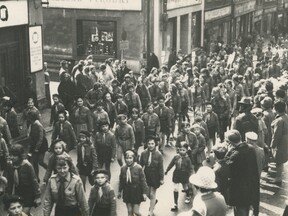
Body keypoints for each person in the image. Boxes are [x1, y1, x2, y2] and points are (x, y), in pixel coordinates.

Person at [224, 129, 260, 216]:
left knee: (240, 211)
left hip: (239, 190)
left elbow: (227, 166)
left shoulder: (234, 155)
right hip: (250, 186)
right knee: (246, 209)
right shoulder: (251, 148)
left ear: (230, 142)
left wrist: (228, 152)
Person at [4, 144, 41, 215]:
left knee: (22, 213)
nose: (12, 157)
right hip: (19, 192)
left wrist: (38, 196)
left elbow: (34, 181)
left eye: (14, 155)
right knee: (21, 212)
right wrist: (7, 194)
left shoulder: (27, 165)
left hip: (29, 193)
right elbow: (10, 181)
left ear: (20, 156)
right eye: (11, 155)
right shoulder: (10, 165)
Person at [118, 150, 148, 216]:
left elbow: (143, 181)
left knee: (136, 211)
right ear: (125, 159)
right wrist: (119, 191)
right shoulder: (123, 168)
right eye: (127, 158)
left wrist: (144, 193)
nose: (129, 160)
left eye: (130, 158)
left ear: (134, 158)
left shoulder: (138, 168)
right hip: (127, 191)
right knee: (129, 211)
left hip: (136, 191)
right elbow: (121, 181)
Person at [139, 136, 164, 216]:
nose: (150, 145)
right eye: (149, 143)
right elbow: (140, 165)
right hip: (146, 175)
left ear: (155, 144)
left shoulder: (158, 154)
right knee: (147, 193)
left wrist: (161, 178)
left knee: (152, 194)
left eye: (152, 143)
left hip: (155, 176)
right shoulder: (143, 153)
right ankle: (154, 201)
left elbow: (161, 168)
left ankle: (151, 211)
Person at [165, 143, 194, 210]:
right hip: (177, 174)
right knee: (175, 188)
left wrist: (191, 175)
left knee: (185, 187)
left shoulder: (188, 159)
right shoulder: (176, 157)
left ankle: (188, 195)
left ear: (186, 150)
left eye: (183, 150)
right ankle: (175, 204)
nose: (181, 151)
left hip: (184, 175)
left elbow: (190, 168)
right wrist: (167, 170)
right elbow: (171, 164)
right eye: (180, 150)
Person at [270, 100, 288, 186]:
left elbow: (277, 134)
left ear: (276, 109)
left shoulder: (279, 120)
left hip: (281, 142)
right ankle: (278, 176)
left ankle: (278, 178)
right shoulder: (285, 116)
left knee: (278, 160)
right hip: (285, 140)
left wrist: (273, 145)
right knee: (281, 159)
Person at [28, 111, 48, 182]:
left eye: (29, 118)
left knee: (40, 162)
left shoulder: (38, 125)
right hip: (35, 145)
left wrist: (37, 148)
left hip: (41, 146)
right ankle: (37, 178)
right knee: (34, 162)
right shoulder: (32, 124)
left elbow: (41, 138)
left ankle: (51, 169)